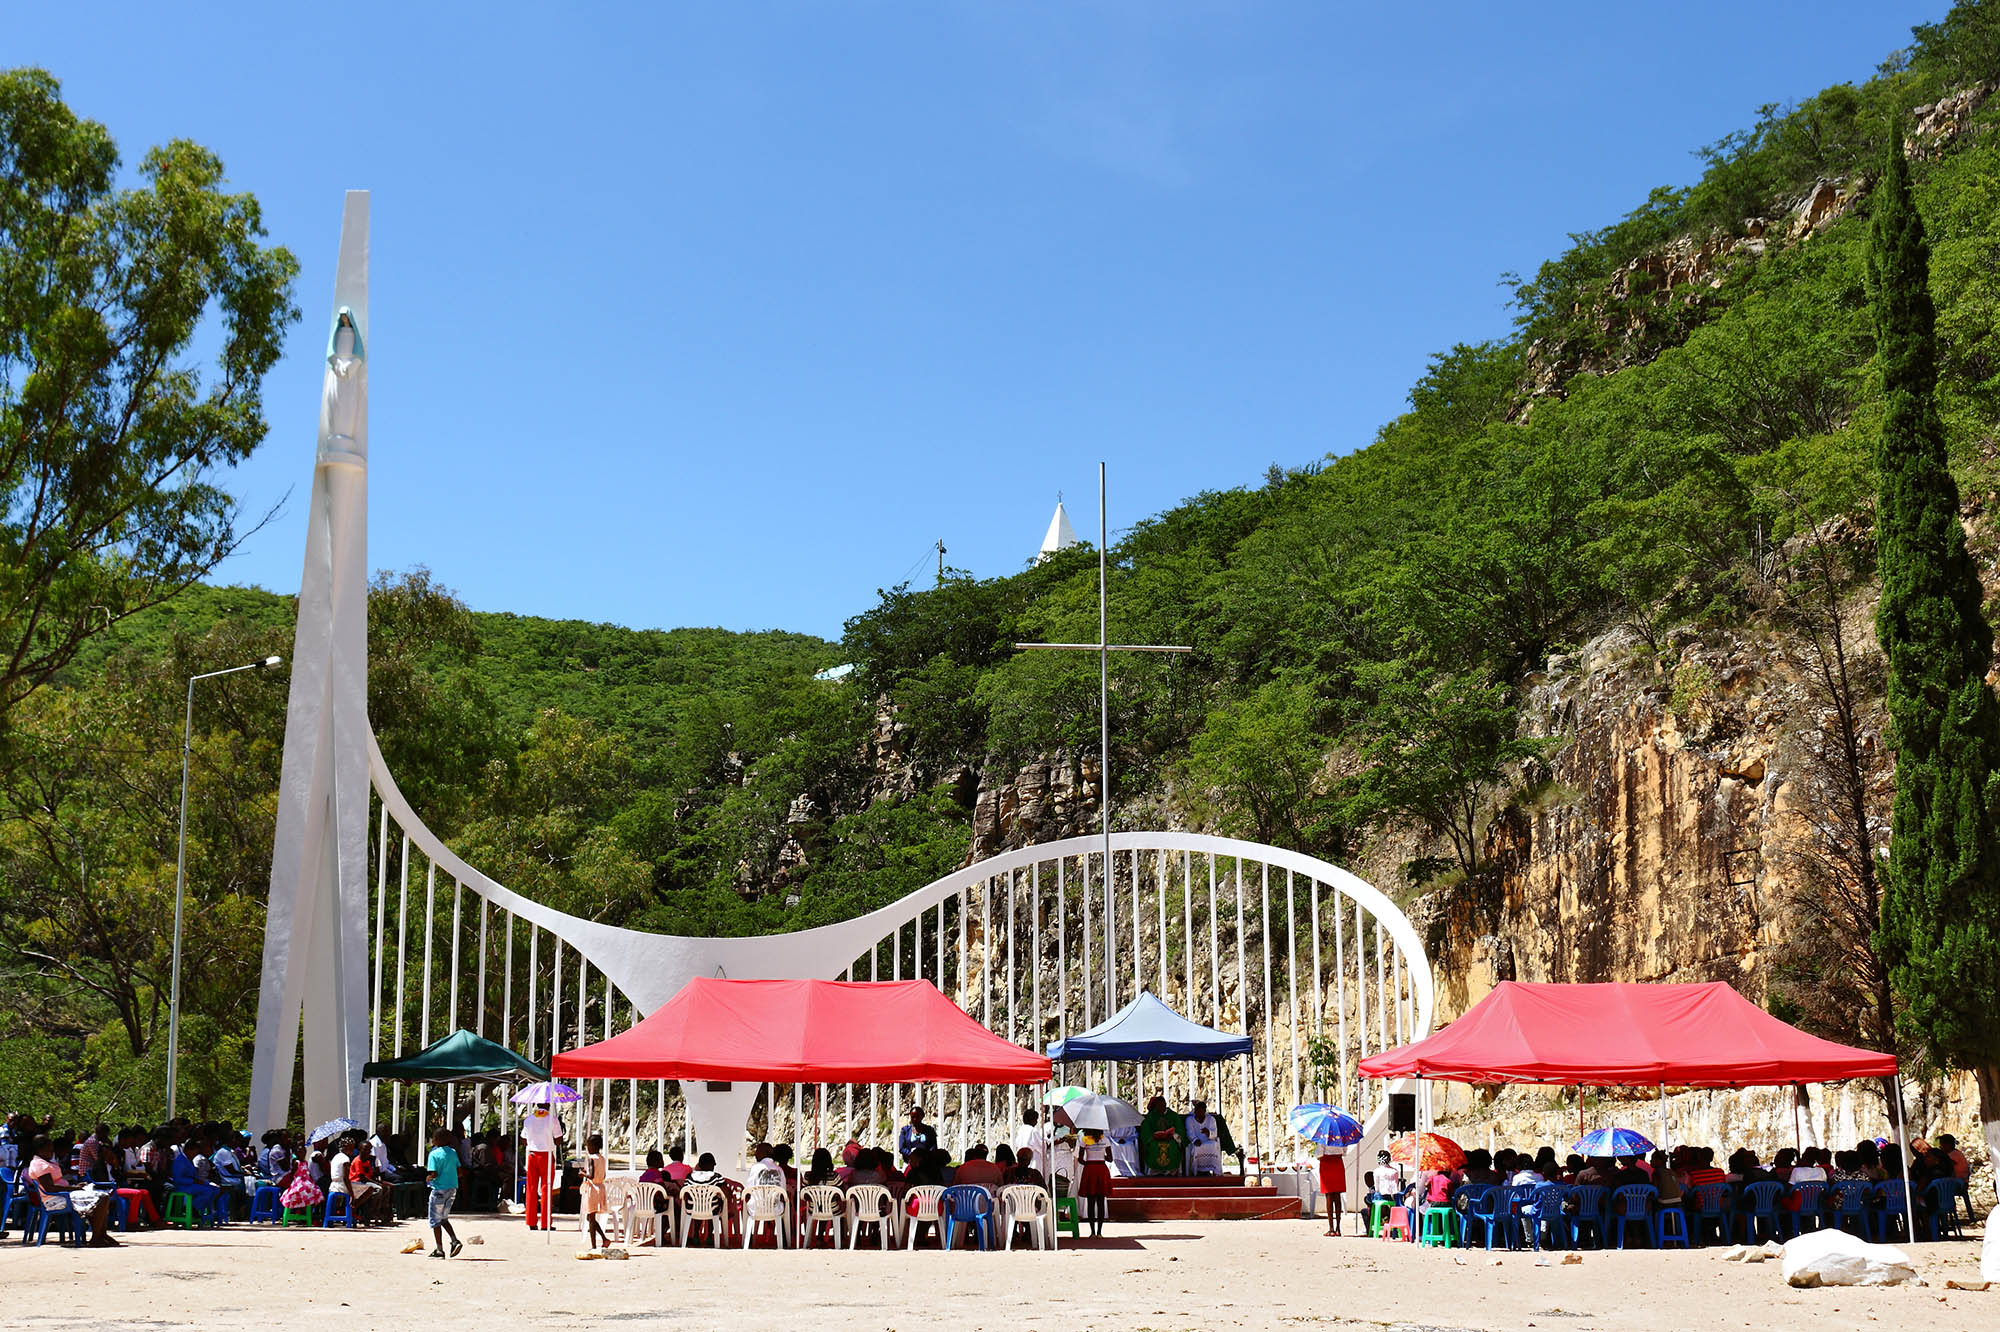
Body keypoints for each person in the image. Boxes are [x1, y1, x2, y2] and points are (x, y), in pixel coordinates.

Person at [27, 1135, 116, 1247]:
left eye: (51, 1150)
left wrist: (75, 1186)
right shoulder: (39, 1164)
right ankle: (96, 1237)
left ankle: (101, 1233)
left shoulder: (47, 1162)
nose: (51, 1153)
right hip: (55, 1199)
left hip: (64, 1195)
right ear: (39, 1150)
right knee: (101, 1198)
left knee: (100, 1194)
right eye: (48, 1150)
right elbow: (50, 1188)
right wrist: (74, 1188)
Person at [521, 1102, 563, 1230]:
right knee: (546, 1188)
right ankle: (545, 1223)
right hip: (546, 1156)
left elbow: (523, 1139)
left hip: (532, 1155)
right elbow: (558, 1140)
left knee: (531, 1189)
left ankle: (531, 1222)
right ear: (548, 1105)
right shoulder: (553, 1120)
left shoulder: (528, 1120)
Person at [426, 1128, 462, 1259]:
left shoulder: (434, 1154)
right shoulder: (453, 1152)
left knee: (435, 1221)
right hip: (452, 1189)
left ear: (436, 1140)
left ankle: (439, 1249)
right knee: (443, 1218)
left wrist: (428, 1178)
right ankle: (454, 1240)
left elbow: (433, 1173)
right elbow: (459, 1171)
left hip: (439, 1190)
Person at [1184, 1099, 1239, 1175]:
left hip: (1209, 1140)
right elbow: (1190, 1133)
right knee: (1196, 1148)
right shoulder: (1189, 1120)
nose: (1198, 1113)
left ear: (1204, 1111)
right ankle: (1197, 1171)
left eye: (1200, 1111)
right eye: (1196, 1111)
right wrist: (1195, 1140)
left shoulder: (1211, 1119)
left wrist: (1208, 1132)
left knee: (1213, 1146)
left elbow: (1215, 1133)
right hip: (1196, 1142)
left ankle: (1214, 1170)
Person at [1075, 1129, 1113, 1237]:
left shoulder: (1085, 1140)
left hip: (1090, 1169)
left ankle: (1092, 1232)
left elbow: (1080, 1159)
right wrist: (1101, 1156)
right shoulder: (1105, 1139)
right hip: (1101, 1168)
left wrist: (1090, 1159)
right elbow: (1110, 1159)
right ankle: (1099, 1232)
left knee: (1090, 1202)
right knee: (1101, 1201)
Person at [1138, 1096, 1185, 1175]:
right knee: (1154, 1146)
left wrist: (1173, 1135)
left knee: (1172, 1146)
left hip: (1171, 1139)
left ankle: (1171, 1170)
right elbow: (1146, 1131)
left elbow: (1180, 1130)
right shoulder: (1151, 1116)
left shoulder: (1173, 1116)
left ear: (1165, 1104)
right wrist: (1152, 1137)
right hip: (1155, 1140)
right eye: (1158, 1106)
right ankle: (1156, 1171)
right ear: (1156, 1106)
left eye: (1162, 1105)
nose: (1160, 1108)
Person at [581, 1133, 609, 1249]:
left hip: (592, 1189)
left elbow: (591, 1175)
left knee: (591, 1218)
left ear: (592, 1146)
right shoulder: (602, 1158)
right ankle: (604, 1238)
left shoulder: (591, 1159)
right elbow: (603, 1174)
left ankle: (594, 1245)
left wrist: (582, 1173)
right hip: (600, 1187)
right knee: (590, 1217)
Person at [1319, 1143, 1348, 1236]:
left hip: (1326, 1164)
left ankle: (1331, 1228)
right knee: (1337, 1195)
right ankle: (1338, 1228)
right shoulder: (1341, 1136)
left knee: (1329, 1195)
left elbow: (1319, 1153)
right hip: (1338, 1163)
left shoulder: (1323, 1137)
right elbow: (1344, 1152)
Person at [1013, 1109, 1046, 1175]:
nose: (1036, 1122)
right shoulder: (1033, 1131)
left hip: (1022, 1161)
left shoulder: (1021, 1130)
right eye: (1036, 1120)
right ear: (1032, 1120)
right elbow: (1042, 1147)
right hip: (1032, 1161)